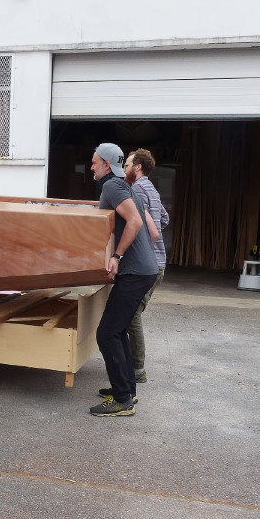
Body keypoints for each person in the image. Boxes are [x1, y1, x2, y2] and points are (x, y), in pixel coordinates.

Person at [90, 143, 159, 417]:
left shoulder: (113, 187)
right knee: (117, 331)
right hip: (142, 270)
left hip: (135, 272)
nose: (91, 166)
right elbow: (152, 231)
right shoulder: (125, 186)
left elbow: (136, 222)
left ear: (107, 165)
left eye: (95, 162)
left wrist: (117, 256)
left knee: (106, 333)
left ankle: (122, 401)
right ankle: (127, 390)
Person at [120, 147, 169, 384]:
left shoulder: (137, 189)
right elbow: (165, 219)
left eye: (128, 164)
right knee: (132, 313)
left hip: (149, 264)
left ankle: (138, 369)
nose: (125, 169)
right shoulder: (152, 189)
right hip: (158, 263)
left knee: (132, 315)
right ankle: (134, 365)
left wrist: (138, 246)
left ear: (138, 167)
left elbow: (152, 232)